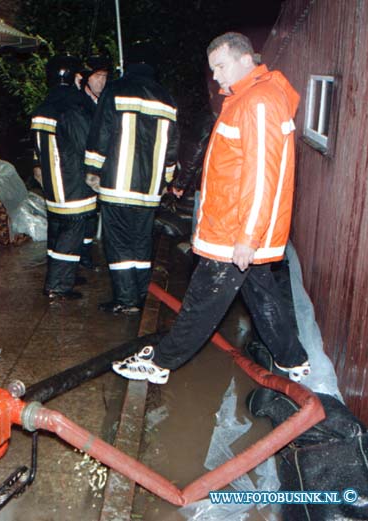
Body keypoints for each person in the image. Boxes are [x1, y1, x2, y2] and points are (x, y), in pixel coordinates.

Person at [112, 32, 310, 383]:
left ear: (246, 59)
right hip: (235, 227)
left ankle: (161, 364)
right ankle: (292, 360)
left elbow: (263, 175)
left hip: (235, 231)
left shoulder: (259, 102)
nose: (215, 76)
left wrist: (249, 236)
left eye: (220, 66)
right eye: (212, 68)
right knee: (262, 292)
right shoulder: (244, 98)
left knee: (202, 302)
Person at [84, 52, 178, 315]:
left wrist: (93, 170)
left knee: (119, 244)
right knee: (141, 243)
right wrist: (167, 180)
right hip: (149, 191)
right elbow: (172, 148)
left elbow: (100, 132)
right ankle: (138, 294)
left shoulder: (115, 90)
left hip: (117, 187)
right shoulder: (167, 99)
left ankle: (126, 301)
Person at [31, 55, 97, 300]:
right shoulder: (74, 107)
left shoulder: (43, 107)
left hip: (52, 183)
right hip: (73, 182)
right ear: (74, 77)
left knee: (59, 231)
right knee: (73, 230)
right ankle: (58, 284)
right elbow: (85, 145)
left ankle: (62, 274)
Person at [78, 55, 112, 271]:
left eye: (105, 77)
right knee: (83, 214)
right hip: (81, 169)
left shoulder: (106, 102)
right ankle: (81, 256)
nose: (102, 82)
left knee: (92, 214)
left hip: (100, 168)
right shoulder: (80, 104)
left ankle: (87, 253)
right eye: (98, 76)